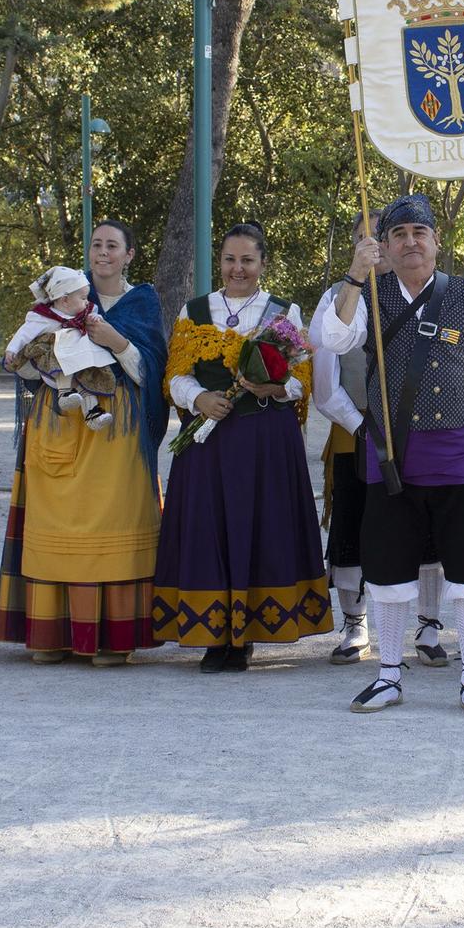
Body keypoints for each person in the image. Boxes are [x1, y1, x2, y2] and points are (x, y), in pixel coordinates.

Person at [314, 194, 464, 719]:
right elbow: (332, 339)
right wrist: (356, 276)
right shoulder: (368, 294)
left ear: (435, 241)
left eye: (418, 233)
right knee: (387, 570)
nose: (409, 242)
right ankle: (387, 676)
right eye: (398, 234)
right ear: (384, 245)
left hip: (459, 451)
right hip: (391, 457)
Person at [152, 222, 329, 672]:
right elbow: (175, 373)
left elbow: (302, 378)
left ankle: (248, 633)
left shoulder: (281, 311)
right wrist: (200, 399)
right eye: (230, 259)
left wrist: (274, 388)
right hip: (209, 440)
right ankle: (214, 635)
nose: (238, 268)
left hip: (264, 440)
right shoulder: (194, 311)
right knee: (210, 527)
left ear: (262, 263)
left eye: (247, 260)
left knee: (257, 526)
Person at [0, 221, 169, 665]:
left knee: (114, 524)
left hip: (118, 435)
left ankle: (113, 638)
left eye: (113, 246)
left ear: (129, 254)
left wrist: (116, 340)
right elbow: (33, 355)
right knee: (57, 524)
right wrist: (24, 363)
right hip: (59, 422)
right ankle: (51, 633)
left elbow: (152, 374)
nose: (103, 252)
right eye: (96, 245)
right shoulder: (58, 300)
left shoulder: (141, 304)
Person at [310, 211, 451, 667]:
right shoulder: (337, 298)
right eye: (361, 239)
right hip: (358, 436)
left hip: (424, 437)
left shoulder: (440, 294)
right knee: (353, 528)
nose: (374, 247)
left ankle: (429, 625)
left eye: (381, 237)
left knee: (428, 530)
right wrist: (363, 427)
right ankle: (356, 624)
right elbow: (326, 382)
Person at [4, 266, 120, 431]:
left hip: (78, 364)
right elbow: (24, 333)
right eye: (83, 298)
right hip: (56, 367)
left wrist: (96, 317)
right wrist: (12, 350)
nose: (87, 301)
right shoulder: (44, 317)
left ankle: (93, 414)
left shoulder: (83, 313)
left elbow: (96, 318)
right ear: (65, 300)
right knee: (62, 358)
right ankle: (64, 393)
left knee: (87, 384)